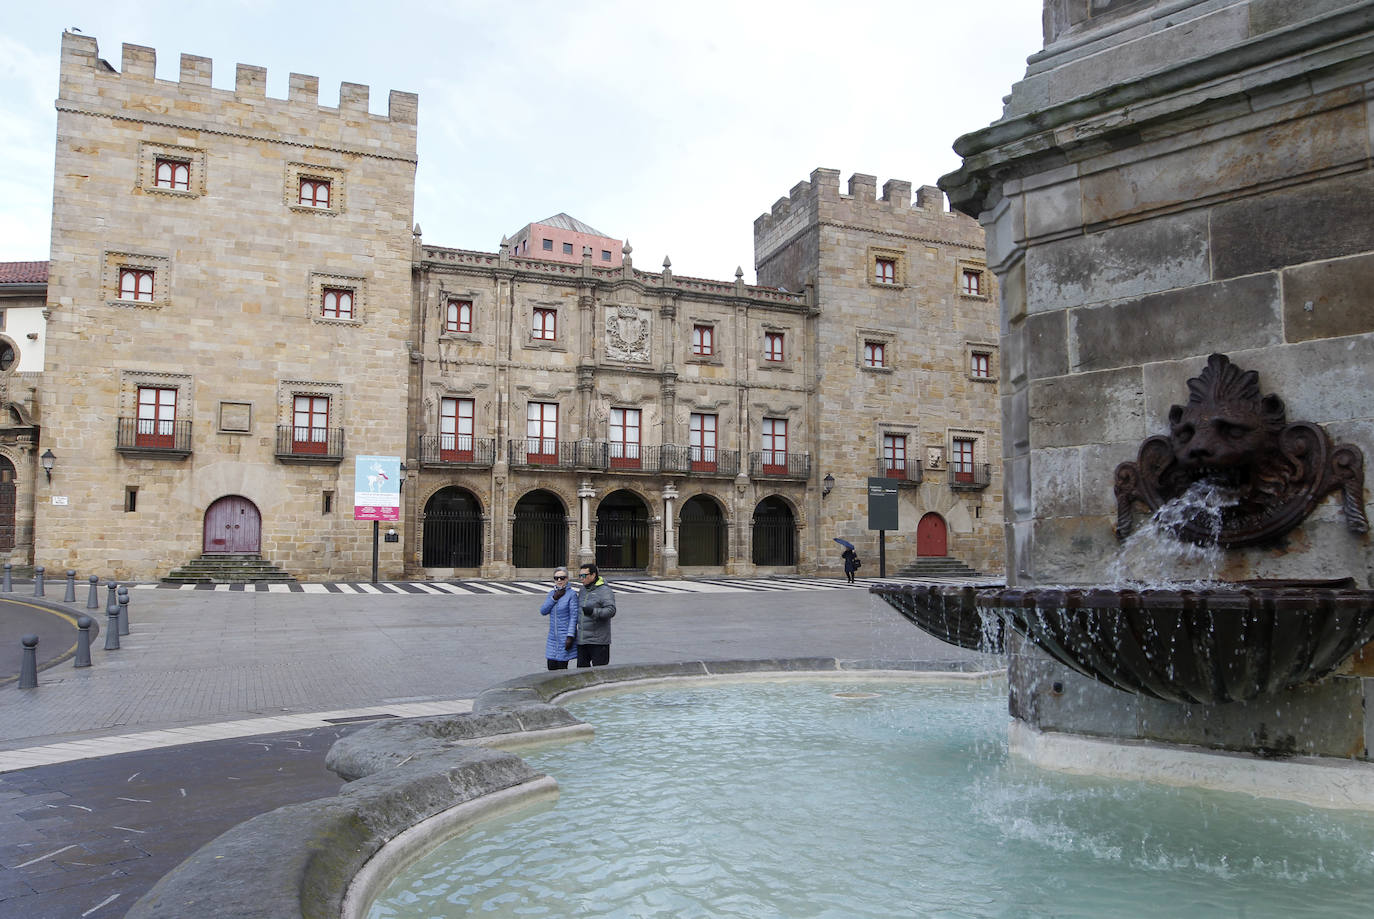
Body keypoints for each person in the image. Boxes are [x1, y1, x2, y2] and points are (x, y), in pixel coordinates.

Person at [575, 563, 615, 667]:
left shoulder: (605, 590)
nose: (581, 579)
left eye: (584, 576)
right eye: (580, 576)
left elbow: (611, 610)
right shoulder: (583, 590)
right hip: (583, 640)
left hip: (599, 641)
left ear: (593, 575)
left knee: (599, 673)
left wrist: (593, 612)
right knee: (581, 672)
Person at [540, 567, 578, 670]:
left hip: (564, 637)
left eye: (562, 578)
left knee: (561, 668)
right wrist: (554, 598)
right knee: (551, 666)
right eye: (556, 578)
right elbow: (543, 611)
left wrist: (570, 636)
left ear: (567, 579)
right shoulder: (552, 594)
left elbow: (573, 617)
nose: (559, 580)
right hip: (553, 637)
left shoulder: (571, 595)